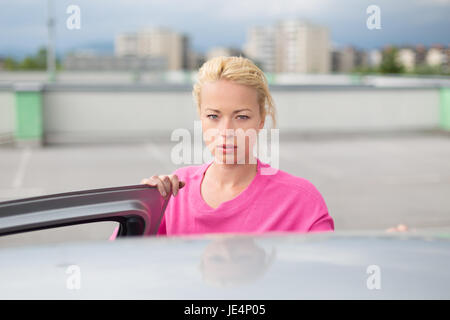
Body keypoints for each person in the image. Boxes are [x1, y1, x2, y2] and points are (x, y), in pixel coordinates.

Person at [121, 56, 334, 238]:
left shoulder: (301, 201)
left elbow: (323, 278)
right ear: (201, 117)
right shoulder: (172, 195)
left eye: (241, 117)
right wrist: (142, 212)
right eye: (213, 116)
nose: (226, 131)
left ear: (261, 120)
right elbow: (124, 265)